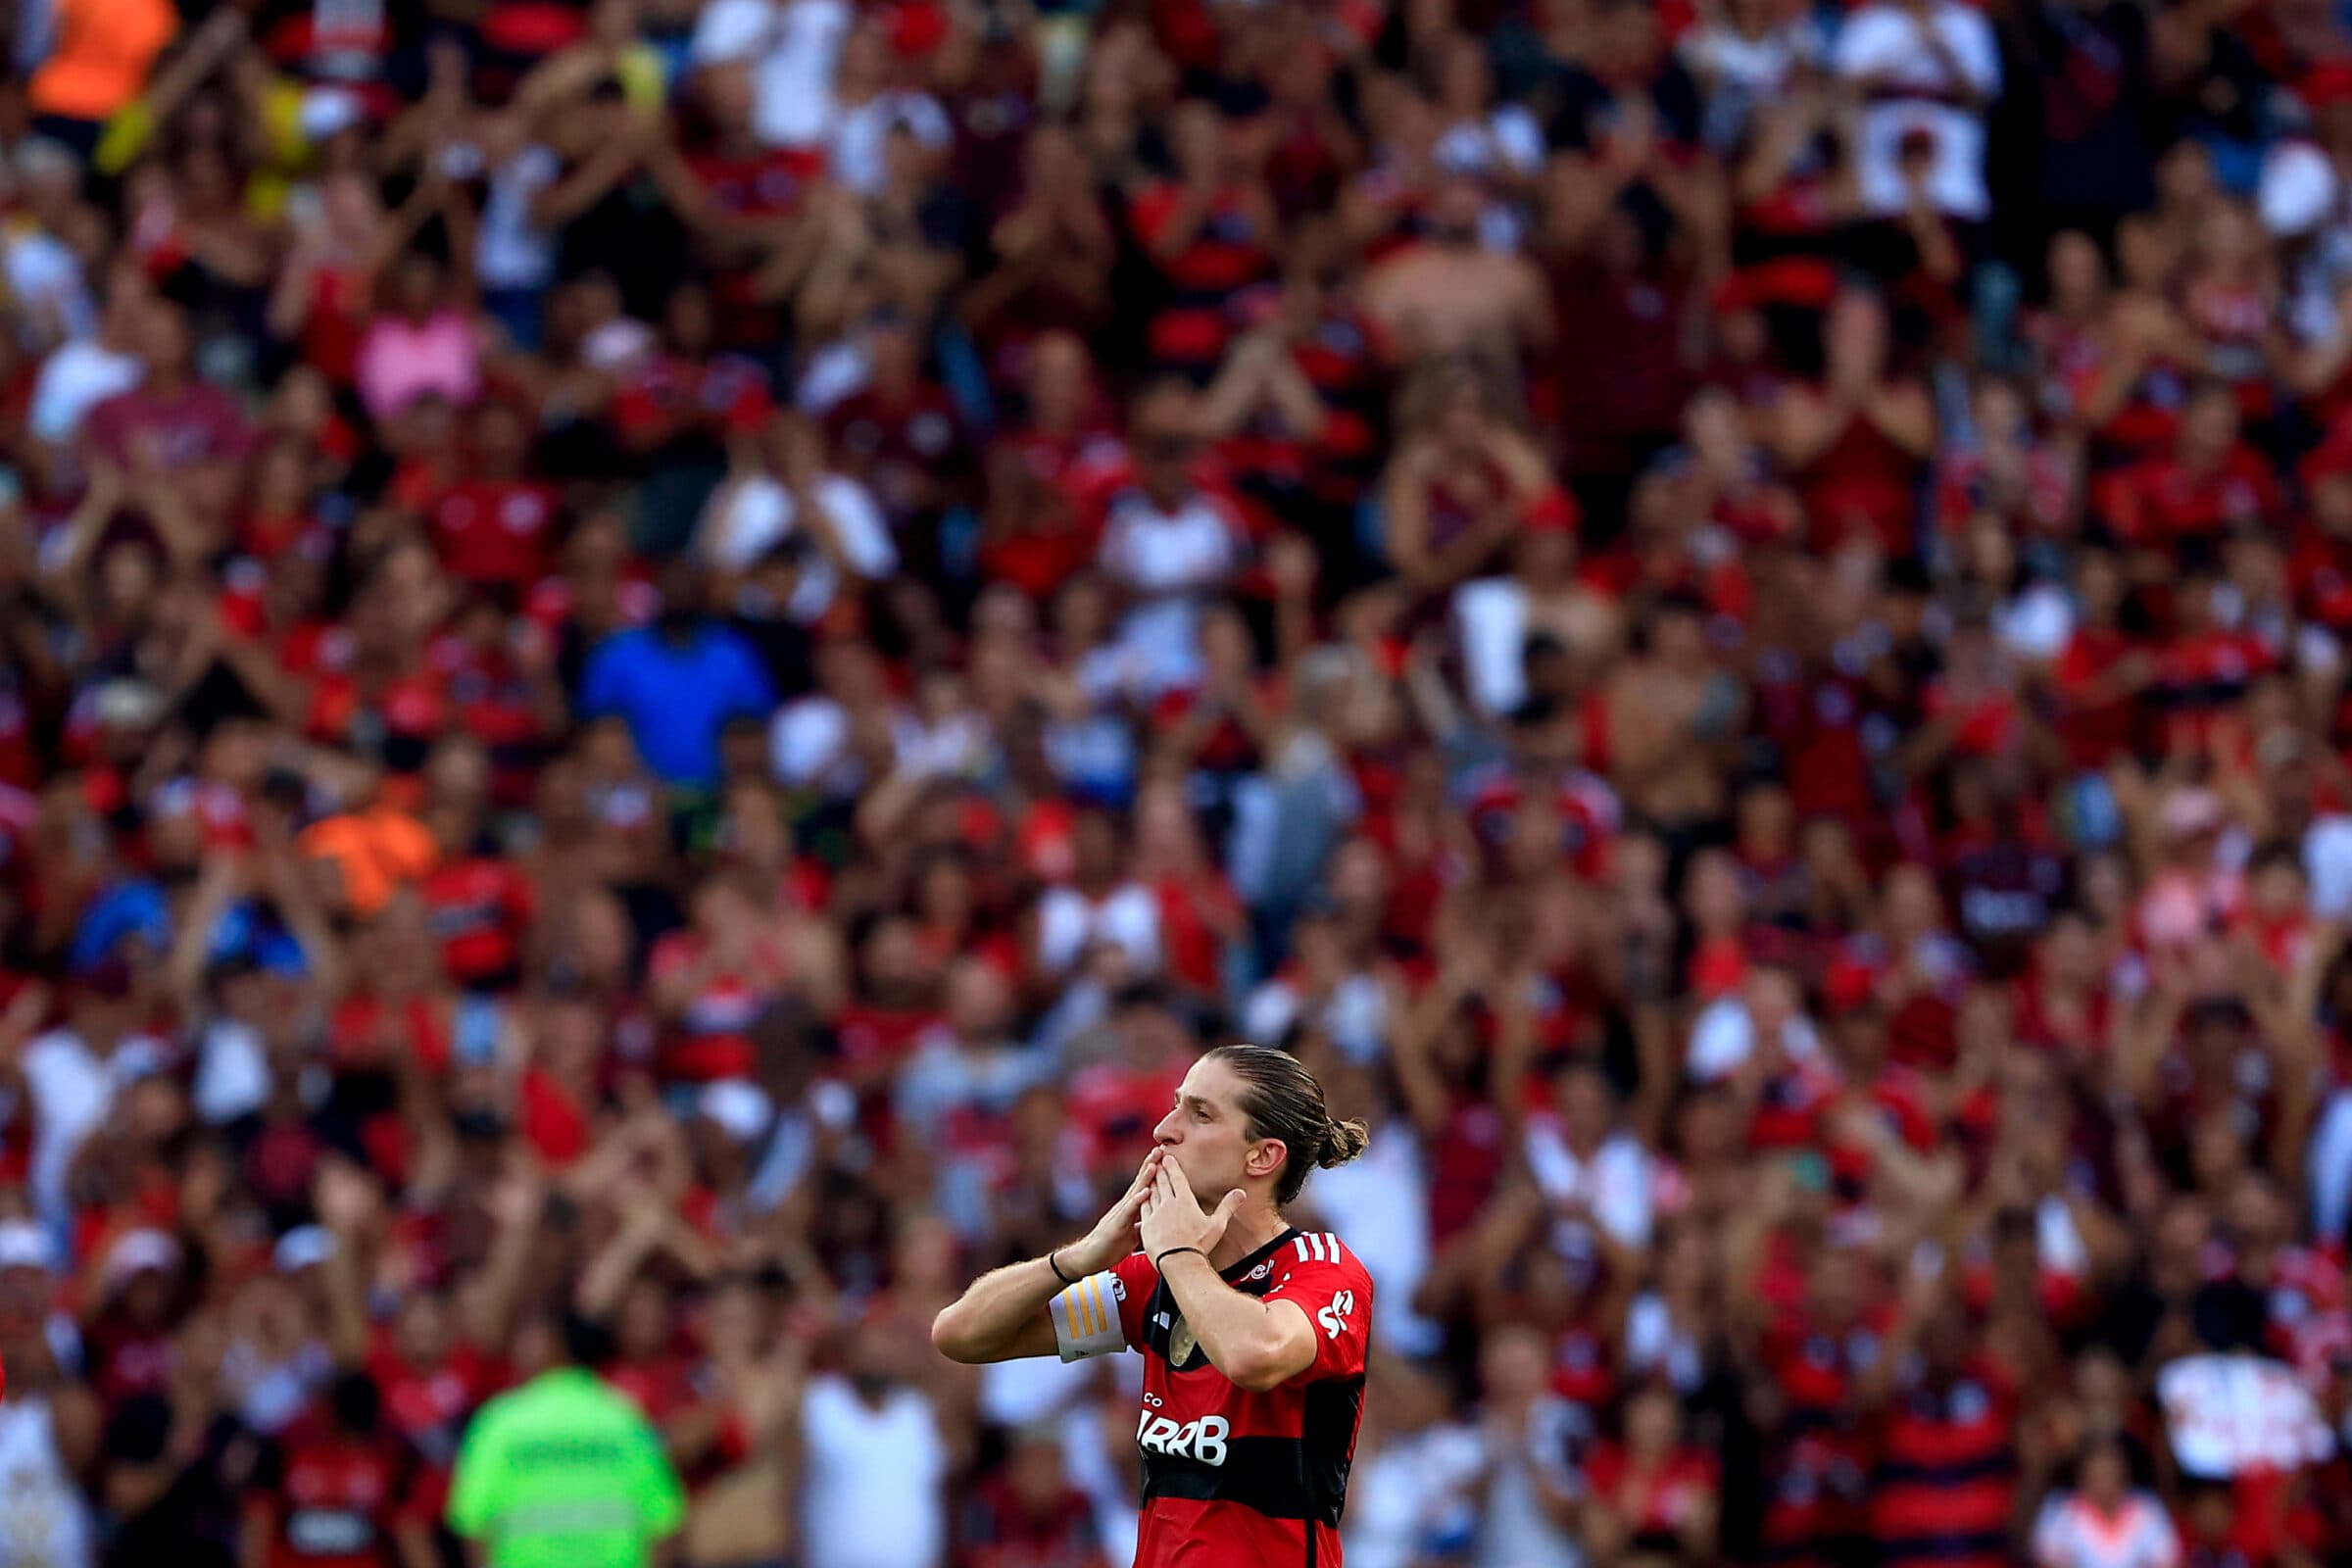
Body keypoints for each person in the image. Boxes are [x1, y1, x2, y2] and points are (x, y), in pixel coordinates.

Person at [933, 1043, 1375, 1566]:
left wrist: (1181, 1255)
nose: (1164, 1130)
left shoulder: (1322, 1269)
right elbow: (960, 1335)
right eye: (1176, 1105)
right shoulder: (1151, 1281)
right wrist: (1076, 1260)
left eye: (1200, 1114)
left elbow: (1254, 1355)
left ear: (1262, 1156)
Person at [444, 1312, 685, 1568]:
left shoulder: (500, 1423)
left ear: (556, 1345)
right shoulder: (623, 1418)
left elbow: (472, 1526)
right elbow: (666, 1523)